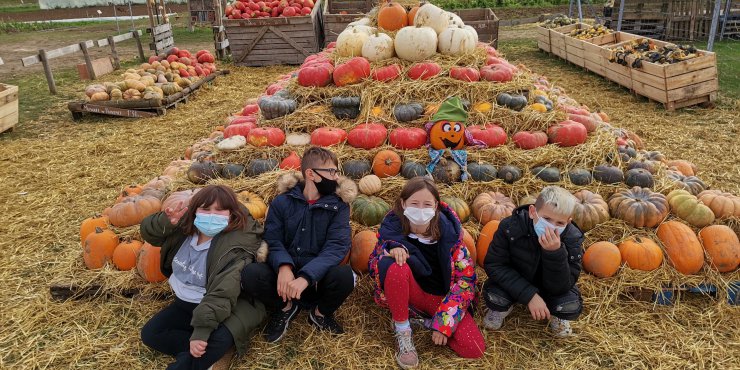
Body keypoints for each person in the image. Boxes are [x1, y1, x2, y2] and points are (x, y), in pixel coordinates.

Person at [139, 185, 268, 370]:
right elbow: (149, 233)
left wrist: (200, 332)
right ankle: (208, 355)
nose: (211, 215)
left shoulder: (235, 246)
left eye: (219, 210)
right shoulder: (185, 227)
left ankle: (199, 358)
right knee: (151, 334)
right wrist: (166, 222)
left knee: (213, 340)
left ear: (231, 213)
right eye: (205, 209)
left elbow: (222, 292)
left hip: (229, 307)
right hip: (185, 303)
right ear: (195, 211)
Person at [241, 146, 356, 343]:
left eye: (336, 172)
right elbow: (273, 239)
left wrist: (306, 277)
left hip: (317, 280)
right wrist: (284, 267)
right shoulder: (281, 203)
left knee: (345, 276)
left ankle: (320, 313)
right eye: (331, 172)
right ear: (310, 174)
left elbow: (336, 247)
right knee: (251, 274)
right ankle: (285, 307)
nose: (336, 177)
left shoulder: (339, 206)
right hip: (283, 281)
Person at [368, 177, 484, 369]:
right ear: (403, 204)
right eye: (414, 203)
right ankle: (403, 329)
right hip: (412, 294)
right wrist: (388, 251)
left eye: (427, 204)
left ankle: (426, 321)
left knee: (473, 348)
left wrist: (444, 324)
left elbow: (466, 281)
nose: (420, 209)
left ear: (436, 206)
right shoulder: (391, 233)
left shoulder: (452, 238)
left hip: (442, 300)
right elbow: (373, 267)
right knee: (396, 266)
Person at [482, 186, 584, 337]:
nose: (552, 227)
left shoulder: (572, 238)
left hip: (551, 287)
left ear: (568, 222)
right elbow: (495, 265)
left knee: (569, 305)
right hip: (516, 281)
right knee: (495, 297)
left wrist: (555, 253)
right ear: (532, 212)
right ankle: (502, 308)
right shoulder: (510, 227)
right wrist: (529, 295)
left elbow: (565, 284)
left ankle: (556, 314)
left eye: (560, 223)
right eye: (547, 219)